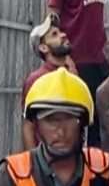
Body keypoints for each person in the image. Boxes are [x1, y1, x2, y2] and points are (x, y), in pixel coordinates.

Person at [47, 0, 109, 148]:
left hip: (100, 58)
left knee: (100, 121)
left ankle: (96, 160)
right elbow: (51, 20)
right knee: (78, 119)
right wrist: (66, 57)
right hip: (78, 59)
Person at [23, 17, 78, 150]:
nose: (63, 35)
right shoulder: (36, 80)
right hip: (48, 155)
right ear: (43, 48)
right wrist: (34, 159)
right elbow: (28, 126)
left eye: (60, 32)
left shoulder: (72, 75)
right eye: (54, 34)